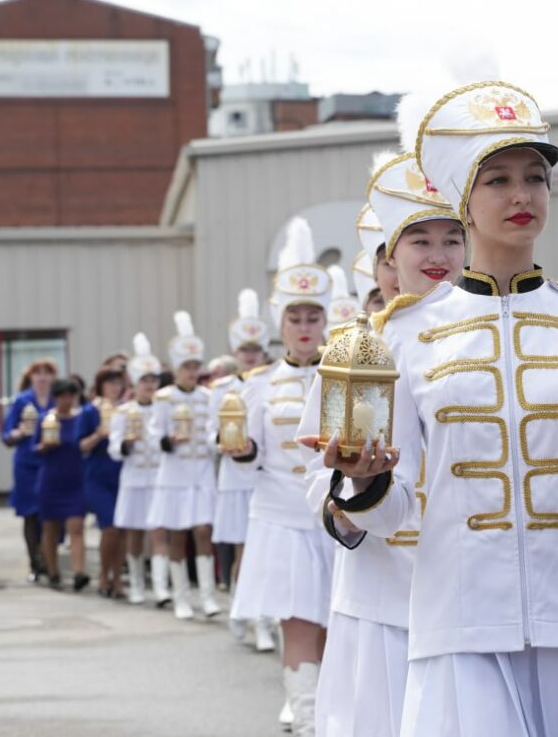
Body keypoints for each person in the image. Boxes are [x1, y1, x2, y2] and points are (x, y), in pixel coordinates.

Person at [325, 82, 558, 736]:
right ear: (462, 199)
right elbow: (391, 515)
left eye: (535, 177)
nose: (521, 196)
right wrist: (363, 477)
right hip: (459, 608)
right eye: (497, 180)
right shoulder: (402, 335)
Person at [300, 146, 467, 737]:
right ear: (386, 258)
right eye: (419, 241)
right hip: (382, 592)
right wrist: (352, 498)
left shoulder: (494, 338)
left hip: (471, 590)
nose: (438, 255)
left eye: (453, 238)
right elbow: (320, 483)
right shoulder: (354, 348)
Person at [228, 217, 336, 737]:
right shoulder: (256, 383)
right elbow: (245, 455)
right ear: (281, 321)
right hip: (282, 516)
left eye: (313, 314)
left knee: (342, 625)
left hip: (340, 519)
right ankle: (309, 716)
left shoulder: (347, 375)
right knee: (297, 620)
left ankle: (339, 713)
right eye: (295, 314)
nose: (304, 324)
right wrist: (242, 450)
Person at [150, 312, 221, 621]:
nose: (192, 372)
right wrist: (168, 441)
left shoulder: (209, 396)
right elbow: (154, 432)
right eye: (187, 367)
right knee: (177, 534)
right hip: (176, 472)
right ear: (177, 369)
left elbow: (214, 429)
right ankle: (180, 596)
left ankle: (206, 596)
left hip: (202, 470)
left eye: (195, 366)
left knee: (203, 530)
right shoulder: (163, 397)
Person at [212, 289, 270, 638]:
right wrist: (226, 443)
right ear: (235, 353)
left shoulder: (271, 381)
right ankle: (239, 607)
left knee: (263, 552)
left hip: (265, 478)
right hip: (234, 477)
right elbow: (209, 433)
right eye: (244, 351)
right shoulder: (221, 388)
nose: (250, 356)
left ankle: (263, 619)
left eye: (255, 350)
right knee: (241, 549)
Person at [111, 334, 167, 606]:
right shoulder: (123, 413)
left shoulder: (164, 408)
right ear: (135, 382)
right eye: (144, 380)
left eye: (153, 380)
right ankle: (136, 584)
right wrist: (125, 445)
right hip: (134, 478)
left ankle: (160, 588)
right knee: (134, 533)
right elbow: (113, 448)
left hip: (158, 478)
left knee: (158, 532)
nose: (149, 385)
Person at [2, 358, 57, 582]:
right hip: (27, 463)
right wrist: (20, 432)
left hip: (52, 462)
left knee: (51, 513)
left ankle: (48, 556)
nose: (43, 378)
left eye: (47, 373)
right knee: (30, 514)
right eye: (38, 373)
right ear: (31, 377)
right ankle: (34, 561)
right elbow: (7, 434)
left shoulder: (57, 400)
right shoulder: (22, 401)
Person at [34, 378, 89, 591]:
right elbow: (33, 448)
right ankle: (53, 570)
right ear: (55, 398)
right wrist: (44, 446)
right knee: (50, 527)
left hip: (75, 478)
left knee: (76, 525)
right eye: (62, 396)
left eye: (70, 396)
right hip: (51, 477)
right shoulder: (45, 419)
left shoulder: (80, 418)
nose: (67, 400)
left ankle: (78, 572)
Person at [81, 366, 127, 599]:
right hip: (98, 474)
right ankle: (103, 574)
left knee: (122, 530)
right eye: (110, 383)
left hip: (123, 473)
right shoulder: (91, 411)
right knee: (109, 527)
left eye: (118, 383)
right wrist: (99, 434)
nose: (115, 387)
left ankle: (117, 576)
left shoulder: (127, 411)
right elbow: (80, 446)